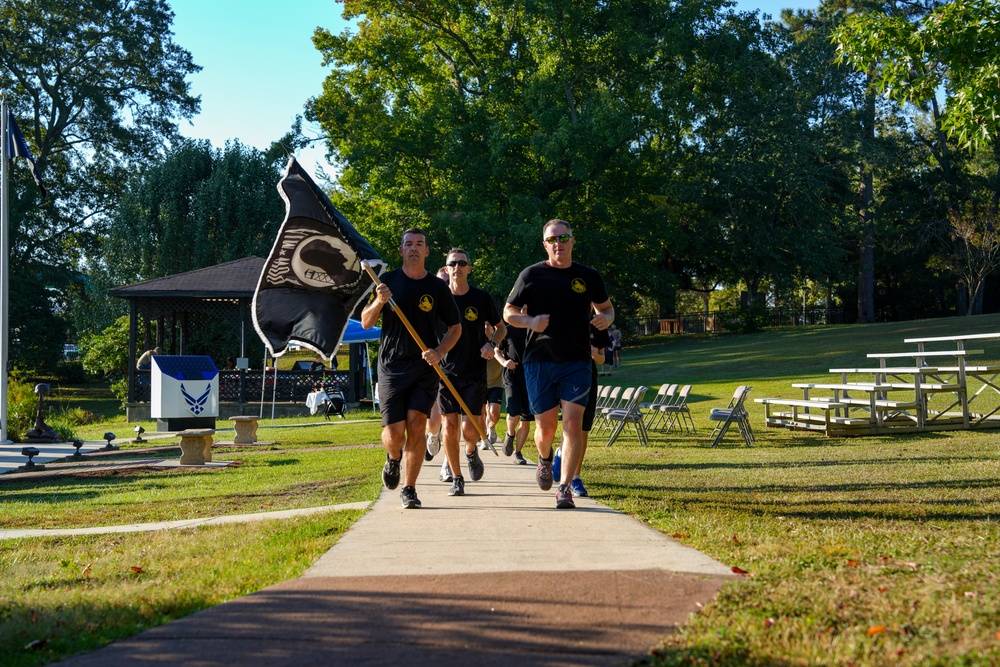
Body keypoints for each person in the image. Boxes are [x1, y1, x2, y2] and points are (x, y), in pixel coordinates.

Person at [504, 219, 614, 509]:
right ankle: (544, 458)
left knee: (574, 424)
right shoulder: (531, 275)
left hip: (577, 359)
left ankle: (564, 487)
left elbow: (606, 308)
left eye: (563, 237)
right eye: (552, 239)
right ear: (545, 244)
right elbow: (508, 312)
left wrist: (607, 318)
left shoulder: (588, 276)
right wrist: (531, 322)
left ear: (572, 240)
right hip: (539, 360)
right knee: (547, 428)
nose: (558, 243)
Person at [361, 228, 461, 509]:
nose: (414, 248)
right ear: (402, 250)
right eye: (409, 244)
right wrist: (380, 301)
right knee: (394, 435)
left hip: (425, 367)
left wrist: (440, 351)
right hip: (391, 366)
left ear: (427, 251)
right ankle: (393, 458)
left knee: (417, 426)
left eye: (420, 244)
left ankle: (409, 488)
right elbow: (367, 322)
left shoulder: (437, 287)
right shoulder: (388, 281)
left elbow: (455, 328)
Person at [437, 247, 505, 497]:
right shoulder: (438, 298)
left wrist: (492, 344)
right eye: (452, 264)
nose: (457, 267)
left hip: (475, 373)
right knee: (450, 427)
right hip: (445, 373)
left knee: (469, 430)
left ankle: (471, 451)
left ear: (469, 269)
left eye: (462, 263)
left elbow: (501, 328)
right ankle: (457, 477)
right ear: (446, 269)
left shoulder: (481, 298)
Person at [553, 324, 610, 497]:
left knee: (583, 429)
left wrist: (595, 355)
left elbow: (602, 358)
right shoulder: (564, 316)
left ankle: (575, 477)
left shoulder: (598, 324)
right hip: (565, 376)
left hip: (588, 378)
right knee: (570, 424)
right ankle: (561, 453)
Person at [494, 321, 532, 464]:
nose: (523, 309)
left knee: (526, 418)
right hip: (512, 374)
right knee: (514, 411)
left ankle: (518, 453)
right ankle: (510, 435)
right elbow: (497, 351)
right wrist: (504, 362)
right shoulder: (507, 330)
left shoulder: (535, 329)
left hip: (530, 376)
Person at [425, 267, 450, 461]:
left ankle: (448, 465)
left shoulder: (460, 305)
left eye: (447, 282)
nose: (445, 285)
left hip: (454, 368)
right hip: (431, 366)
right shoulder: (429, 304)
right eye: (442, 282)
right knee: (434, 421)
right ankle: (433, 435)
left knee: (451, 420)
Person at [480, 351, 505, 450]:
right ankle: (484, 438)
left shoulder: (499, 342)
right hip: (479, 384)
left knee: (494, 413)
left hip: (496, 384)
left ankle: (491, 427)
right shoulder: (479, 341)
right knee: (480, 414)